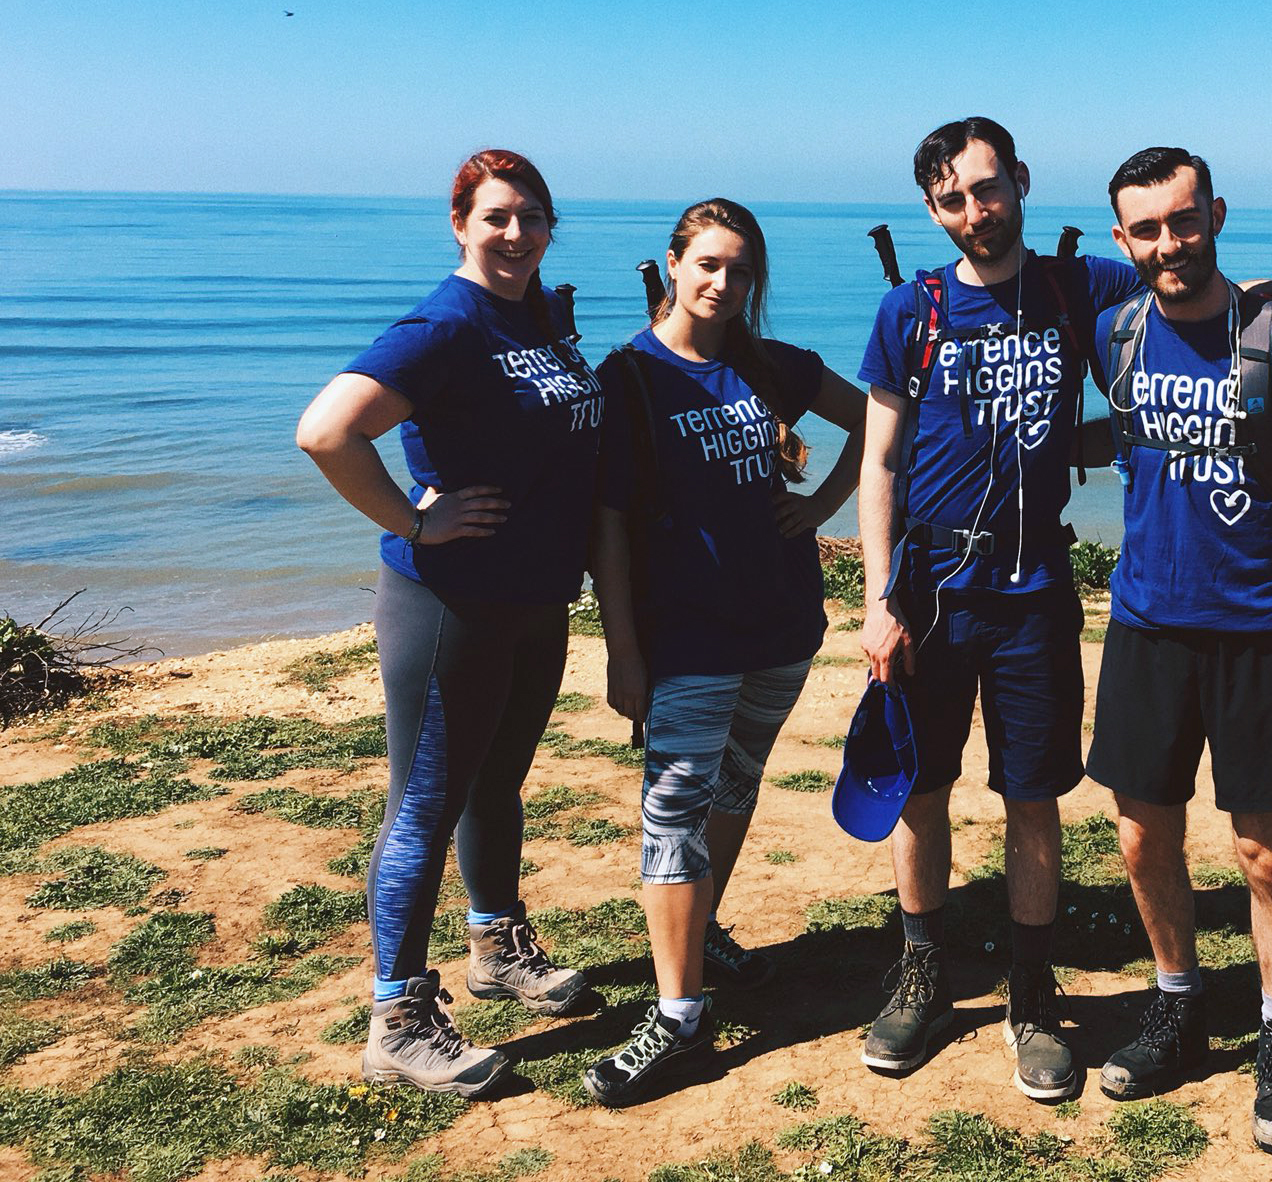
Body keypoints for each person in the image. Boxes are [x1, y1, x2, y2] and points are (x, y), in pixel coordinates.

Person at [855, 116, 1272, 1102]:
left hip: (1034, 592)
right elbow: (877, 461)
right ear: (931, 210)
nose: (973, 213)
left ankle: (1029, 995)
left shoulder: (1079, 288)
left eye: (987, 190)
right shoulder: (910, 311)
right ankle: (921, 973)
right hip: (928, 594)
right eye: (951, 199)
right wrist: (874, 599)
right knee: (920, 789)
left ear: (1021, 184)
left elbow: (1195, 283)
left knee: (1033, 795)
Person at [1082, 147, 1272, 1156]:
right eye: (1146, 229)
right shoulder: (1110, 327)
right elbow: (997, 278)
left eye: (1183, 219)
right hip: (1146, 624)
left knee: (1261, 850)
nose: (1168, 243)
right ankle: (1177, 1005)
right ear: (1122, 241)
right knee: (1136, 835)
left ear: (1213, 213)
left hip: (1262, 633)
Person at [296, 149, 600, 1097]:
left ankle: (495, 945)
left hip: (532, 596)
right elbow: (326, 429)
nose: (517, 235)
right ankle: (397, 1014)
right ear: (461, 223)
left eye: (534, 219)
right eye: (498, 217)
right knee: (423, 803)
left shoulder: (537, 316)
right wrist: (415, 520)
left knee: (496, 782)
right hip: (450, 603)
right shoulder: (447, 322)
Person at [580, 199, 867, 1107]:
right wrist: (623, 647)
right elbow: (610, 524)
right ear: (673, 263)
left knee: (734, 791)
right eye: (707, 264)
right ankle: (676, 1016)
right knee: (673, 811)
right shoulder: (627, 377)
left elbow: (878, 421)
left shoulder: (772, 366)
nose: (723, 284)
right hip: (687, 635)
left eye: (741, 271)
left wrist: (822, 508)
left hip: (781, 626)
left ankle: (699, 939)